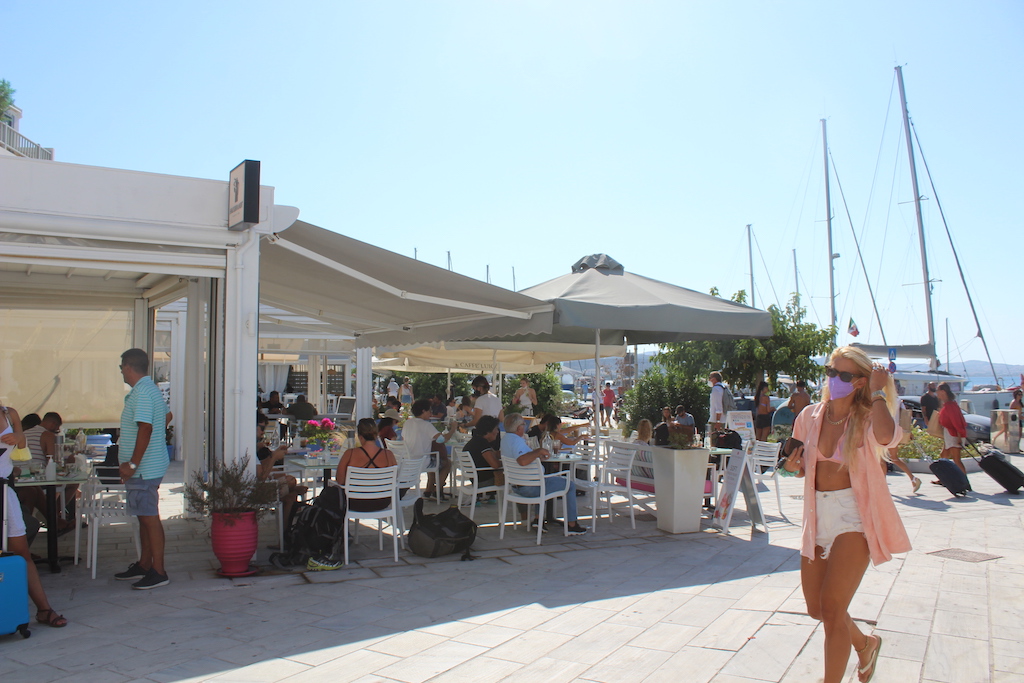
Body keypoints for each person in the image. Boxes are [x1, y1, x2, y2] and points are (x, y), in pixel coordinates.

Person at [780, 346, 909, 683]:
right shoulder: (808, 416)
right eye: (830, 371)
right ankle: (865, 643)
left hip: (854, 516)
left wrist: (879, 391)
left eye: (844, 375)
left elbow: (886, 436)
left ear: (859, 382)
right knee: (817, 609)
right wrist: (794, 468)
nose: (833, 379)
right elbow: (797, 466)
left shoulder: (867, 417)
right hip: (817, 516)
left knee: (834, 609)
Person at [0, 401, 67, 627]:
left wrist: (19, 438)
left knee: (22, 554)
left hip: (5, 491)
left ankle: (44, 609)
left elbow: (22, 449)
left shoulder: (9, 414)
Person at [113, 348, 171, 590]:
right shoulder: (149, 390)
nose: (121, 373)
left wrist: (133, 463)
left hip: (144, 468)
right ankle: (145, 564)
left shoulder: (143, 393)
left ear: (128, 366)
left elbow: (145, 428)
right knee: (144, 519)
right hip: (148, 466)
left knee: (150, 519)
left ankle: (158, 571)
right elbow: (167, 416)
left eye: (121, 368)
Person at [501, 413, 588, 534]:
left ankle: (538, 519)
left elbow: (524, 458)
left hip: (517, 485)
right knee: (569, 484)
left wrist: (537, 455)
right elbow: (522, 460)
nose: (525, 426)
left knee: (542, 480)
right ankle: (572, 524)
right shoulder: (517, 441)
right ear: (518, 428)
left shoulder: (506, 439)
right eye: (523, 424)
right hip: (530, 487)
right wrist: (539, 451)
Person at [18, 412, 73, 532]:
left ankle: (53, 519)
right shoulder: (47, 436)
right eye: (57, 428)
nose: (56, 431)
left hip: (22, 477)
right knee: (71, 484)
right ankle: (54, 517)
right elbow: (53, 462)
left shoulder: (24, 434)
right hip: (36, 476)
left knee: (34, 489)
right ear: (53, 424)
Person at [335, 419, 398, 511]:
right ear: (376, 435)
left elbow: (340, 480)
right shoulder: (388, 455)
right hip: (382, 501)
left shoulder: (350, 454)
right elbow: (394, 478)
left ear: (360, 437)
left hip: (354, 502)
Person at [256, 414, 307, 521]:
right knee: (291, 481)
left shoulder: (250, 446)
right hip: (256, 491)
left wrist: (274, 453)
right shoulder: (249, 448)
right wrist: (274, 457)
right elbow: (262, 477)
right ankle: (294, 489)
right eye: (261, 428)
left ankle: (285, 533)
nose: (263, 432)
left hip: (257, 486)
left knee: (291, 495)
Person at [402, 399, 455, 500]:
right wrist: (453, 429)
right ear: (423, 411)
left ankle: (428, 490)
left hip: (408, 461)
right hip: (421, 461)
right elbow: (443, 439)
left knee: (433, 459)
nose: (431, 413)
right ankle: (437, 491)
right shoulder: (426, 425)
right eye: (429, 410)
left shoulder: (407, 423)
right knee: (447, 463)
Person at [887, 400, 922, 493]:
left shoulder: (880, 396)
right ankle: (913, 478)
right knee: (893, 458)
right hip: (895, 431)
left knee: (883, 460)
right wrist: (908, 431)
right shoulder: (898, 400)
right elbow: (906, 417)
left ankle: (882, 486)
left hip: (885, 431)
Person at [937, 382, 968, 476]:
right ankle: (943, 478)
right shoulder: (948, 404)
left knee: (956, 459)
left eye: (937, 391)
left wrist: (959, 438)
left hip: (954, 435)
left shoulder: (950, 406)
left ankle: (964, 480)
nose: (936, 393)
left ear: (942, 391)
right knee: (943, 456)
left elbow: (957, 423)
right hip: (950, 434)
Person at [464, 415, 503, 488]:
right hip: (484, 481)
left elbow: (494, 454)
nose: (497, 432)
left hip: (476, 479)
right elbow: (495, 465)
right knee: (513, 478)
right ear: (488, 431)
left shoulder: (476, 441)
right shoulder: (482, 443)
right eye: (496, 429)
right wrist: (507, 463)